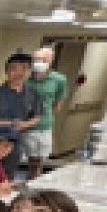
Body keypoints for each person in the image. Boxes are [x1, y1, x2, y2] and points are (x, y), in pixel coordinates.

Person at [0, 53, 41, 180]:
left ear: (30, 72)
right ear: (7, 71)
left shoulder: (33, 95)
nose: (19, 73)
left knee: (6, 178)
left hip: (14, 145)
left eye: (24, 68)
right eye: (14, 68)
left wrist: (25, 124)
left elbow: (37, 117)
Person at [24, 46, 68, 179]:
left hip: (44, 125)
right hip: (23, 124)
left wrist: (45, 114)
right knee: (23, 159)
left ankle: (34, 186)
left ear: (51, 61)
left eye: (43, 60)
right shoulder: (25, 77)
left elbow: (58, 103)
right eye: (36, 59)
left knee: (38, 161)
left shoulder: (59, 80)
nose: (39, 62)